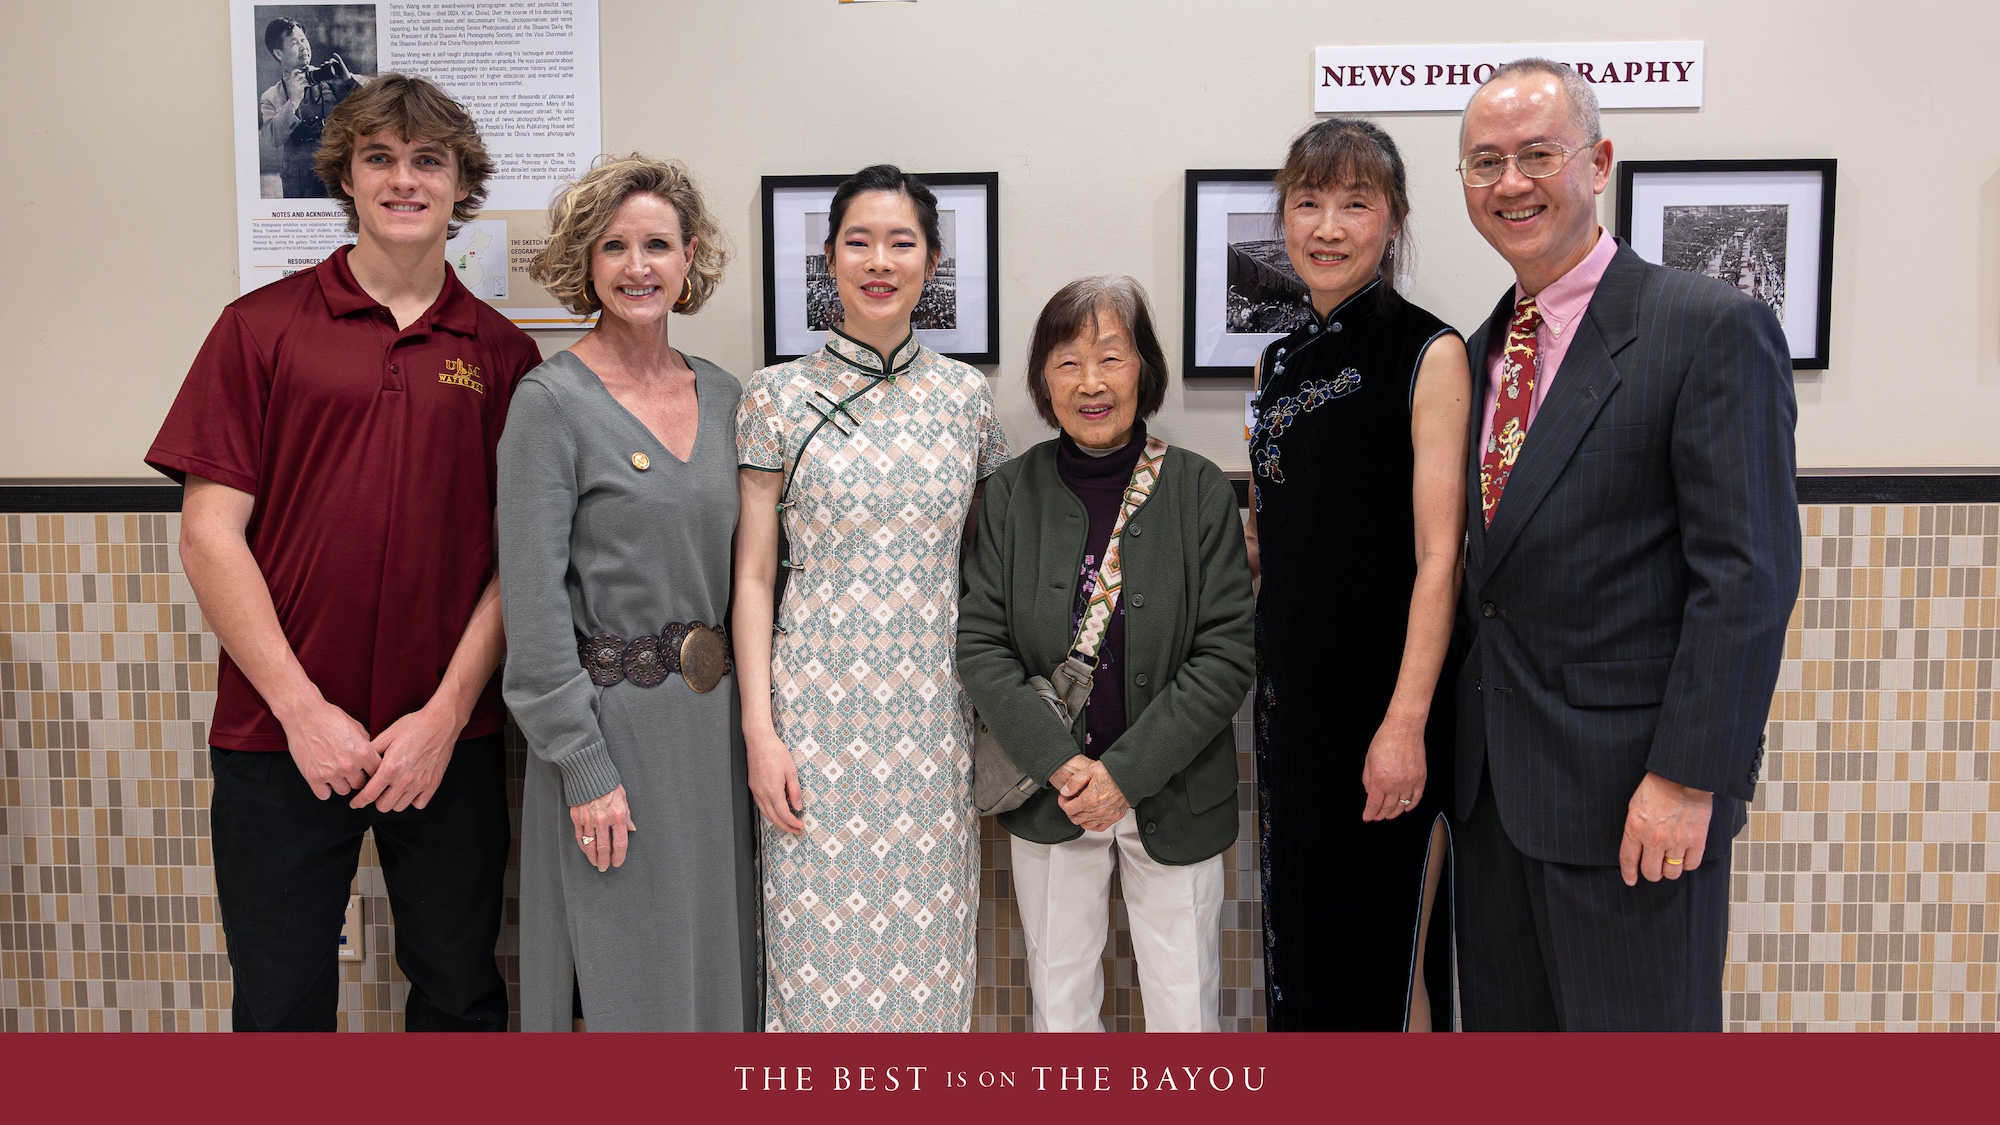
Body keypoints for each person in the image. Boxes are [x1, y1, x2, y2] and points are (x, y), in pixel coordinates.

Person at [147, 74, 538, 1031]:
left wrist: (445, 717)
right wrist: (302, 709)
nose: (404, 180)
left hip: (445, 744)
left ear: (460, 184)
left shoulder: (501, 354)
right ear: (349, 178)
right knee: (279, 1005)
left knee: (460, 994)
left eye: (427, 161)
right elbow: (209, 536)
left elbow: (519, 560)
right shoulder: (259, 328)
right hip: (279, 737)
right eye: (380, 159)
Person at [1451, 59, 1799, 1031]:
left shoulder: (1705, 328)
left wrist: (1688, 777)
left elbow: (1746, 577)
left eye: (1535, 155)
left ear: (1596, 162)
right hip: (1492, 806)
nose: (1508, 183)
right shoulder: (1477, 352)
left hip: (1632, 805)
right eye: (1483, 163)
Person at [734, 164, 1009, 1031]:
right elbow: (752, 576)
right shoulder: (774, 395)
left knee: (930, 977)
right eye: (859, 241)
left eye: (902, 243)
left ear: (931, 262)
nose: (879, 261)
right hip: (811, 726)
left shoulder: (967, 399)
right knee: (813, 970)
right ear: (828, 258)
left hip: (932, 728)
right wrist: (759, 730)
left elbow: (988, 570)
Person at [499, 155, 757, 1031]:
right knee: (626, 984)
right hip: (612, 735)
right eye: (614, 246)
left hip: (713, 733)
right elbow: (531, 607)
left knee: (715, 975)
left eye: (657, 243)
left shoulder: (727, 397)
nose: (637, 265)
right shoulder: (551, 403)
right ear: (585, 263)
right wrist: (583, 764)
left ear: (691, 260)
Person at [958, 277, 1254, 1032]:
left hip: (1177, 791)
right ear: (1043, 379)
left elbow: (1225, 655)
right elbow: (981, 645)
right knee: (1061, 1011)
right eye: (1067, 362)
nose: (1090, 382)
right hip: (1052, 792)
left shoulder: (1198, 491)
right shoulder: (1012, 493)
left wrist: (1124, 773)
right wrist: (1065, 765)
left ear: (1144, 370)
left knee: (1186, 1012)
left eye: (1111, 358)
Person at [1245, 119, 1473, 1032]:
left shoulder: (1431, 350)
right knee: (1302, 956)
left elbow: (1438, 557)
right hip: (1291, 717)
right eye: (1308, 202)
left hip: (1388, 718)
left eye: (1355, 203)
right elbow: (1280, 531)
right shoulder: (1278, 360)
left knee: (1384, 966)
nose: (1327, 226)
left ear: (1395, 220)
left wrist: (1405, 726)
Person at [258, 17, 369, 198]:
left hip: (336, 172)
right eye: (294, 42)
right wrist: (293, 101)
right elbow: (272, 138)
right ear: (279, 53)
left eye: (303, 40)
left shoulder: (333, 77)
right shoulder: (272, 95)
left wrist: (348, 82)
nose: (303, 47)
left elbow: (372, 106)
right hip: (299, 182)